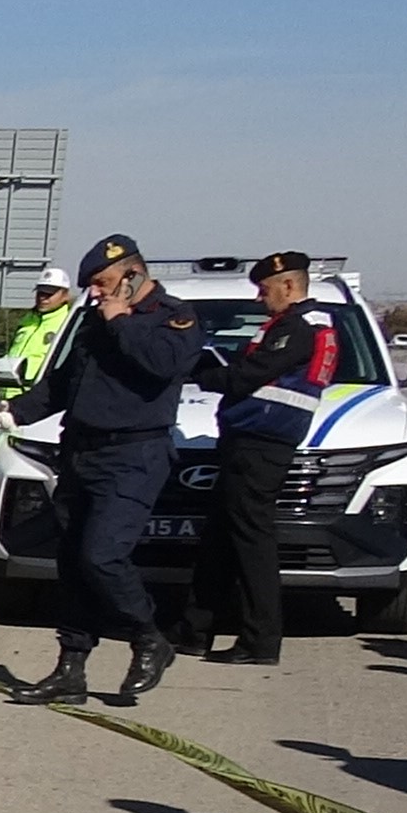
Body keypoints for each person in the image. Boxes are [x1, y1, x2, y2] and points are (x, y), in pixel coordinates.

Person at [7, 235, 207, 706]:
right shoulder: (93, 323)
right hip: (81, 452)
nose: (94, 293)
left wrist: (122, 322)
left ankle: (148, 637)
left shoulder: (172, 316)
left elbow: (165, 364)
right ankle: (70, 667)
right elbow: (63, 385)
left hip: (133, 457)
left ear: (133, 274)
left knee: (103, 554)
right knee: (74, 563)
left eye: (102, 283)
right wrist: (13, 411)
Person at [176, 250, 339, 665]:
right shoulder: (295, 323)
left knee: (252, 541)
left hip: (262, 442)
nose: (258, 299)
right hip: (249, 438)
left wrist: (199, 372)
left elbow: (247, 376)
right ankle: (195, 630)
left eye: (264, 290)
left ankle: (260, 640)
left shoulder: (300, 325)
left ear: (289, 284)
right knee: (220, 538)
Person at [0, 270, 75, 388]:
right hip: (8, 393)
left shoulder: (67, 323)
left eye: (49, 294)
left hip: (37, 396)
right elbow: (10, 355)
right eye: (40, 293)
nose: (43, 298)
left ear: (65, 295)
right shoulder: (27, 320)